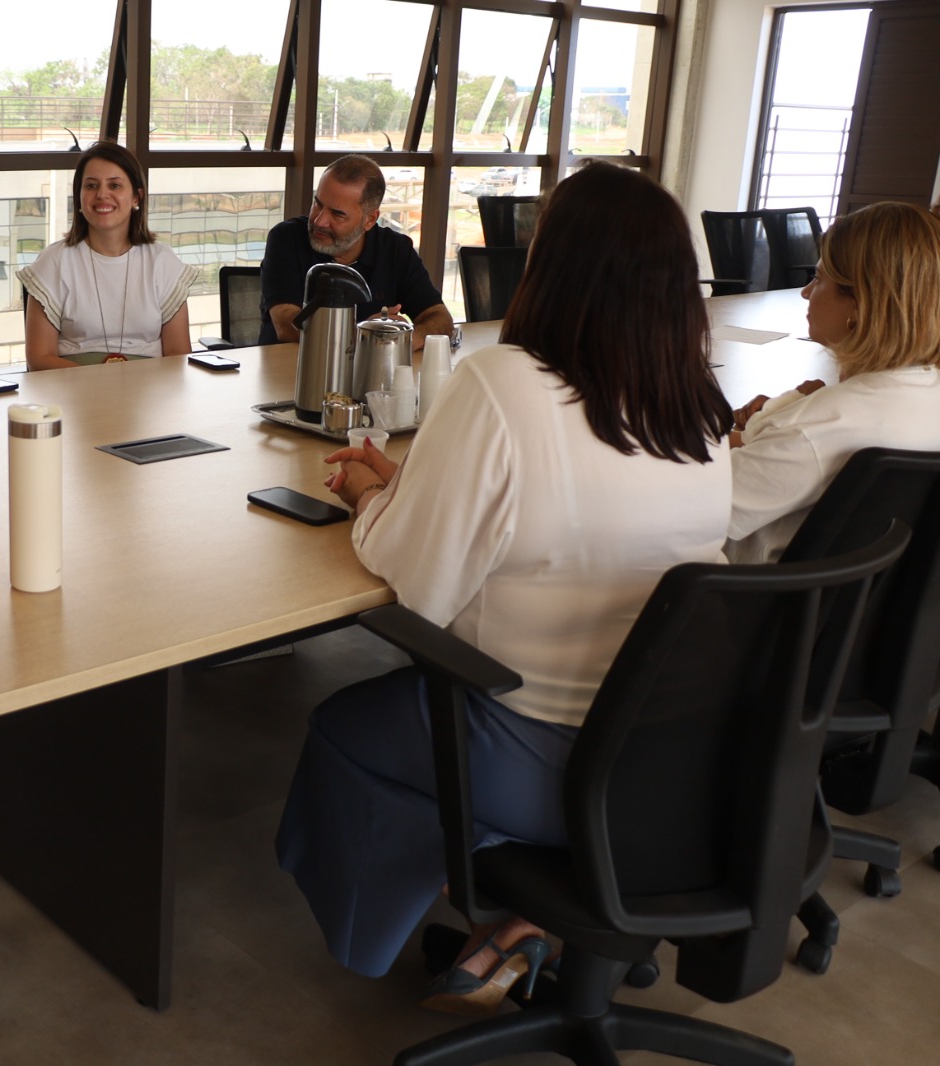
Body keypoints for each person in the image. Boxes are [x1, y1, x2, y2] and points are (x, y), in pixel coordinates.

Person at [275, 162, 732, 1012]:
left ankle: (398, 928)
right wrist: (422, 486)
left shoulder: (501, 381)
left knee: (340, 726)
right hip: (676, 757)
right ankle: (523, 915)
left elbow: (419, 585)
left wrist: (371, 496)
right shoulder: (697, 409)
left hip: (541, 757)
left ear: (551, 264)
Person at [726, 202, 940, 563]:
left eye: (818, 277)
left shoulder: (817, 427)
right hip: (857, 596)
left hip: (744, 592)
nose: (806, 292)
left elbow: (691, 508)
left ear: (859, 303)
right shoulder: (924, 396)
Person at [19, 141, 197, 369]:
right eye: (91, 186)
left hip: (149, 385)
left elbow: (178, 356)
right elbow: (39, 359)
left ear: (136, 197)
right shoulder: (54, 262)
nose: (102, 194)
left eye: (115, 186)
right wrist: (98, 384)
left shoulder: (162, 261)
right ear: (79, 197)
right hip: (73, 385)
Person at [258, 154, 453, 349]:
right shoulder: (287, 238)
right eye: (318, 204)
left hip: (373, 366)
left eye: (337, 214)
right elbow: (287, 325)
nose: (319, 221)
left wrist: (402, 339)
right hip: (290, 363)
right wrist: (365, 334)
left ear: (369, 220)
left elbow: (440, 319)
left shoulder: (395, 249)